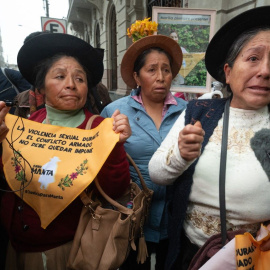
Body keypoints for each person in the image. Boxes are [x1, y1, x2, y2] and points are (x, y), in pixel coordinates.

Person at [149, 6, 270, 270]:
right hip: (193, 254)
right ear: (228, 71)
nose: (265, 71)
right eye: (252, 58)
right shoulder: (200, 111)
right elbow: (157, 173)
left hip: (259, 258)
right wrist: (181, 154)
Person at [0, 33, 131, 269]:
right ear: (40, 86)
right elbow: (9, 176)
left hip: (66, 249)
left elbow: (116, 190)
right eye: (60, 76)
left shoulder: (100, 128)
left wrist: (116, 147)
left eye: (79, 79)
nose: (71, 84)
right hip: (15, 246)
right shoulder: (27, 124)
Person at [101, 34, 187, 269]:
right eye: (151, 70)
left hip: (174, 217)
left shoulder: (188, 112)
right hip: (131, 218)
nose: (161, 77)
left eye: (166, 70)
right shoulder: (114, 112)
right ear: (137, 77)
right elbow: (101, 164)